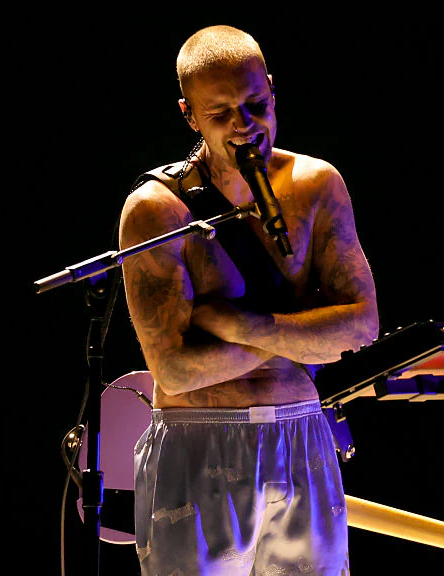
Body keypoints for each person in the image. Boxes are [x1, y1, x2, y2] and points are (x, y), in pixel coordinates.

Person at [118, 24, 379, 575]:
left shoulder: (317, 184)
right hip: (197, 441)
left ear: (272, 89)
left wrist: (242, 326)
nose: (244, 125)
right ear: (190, 115)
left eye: (256, 105)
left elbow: (361, 327)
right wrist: (304, 334)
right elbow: (174, 371)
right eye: (221, 114)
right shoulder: (157, 210)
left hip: (301, 432)